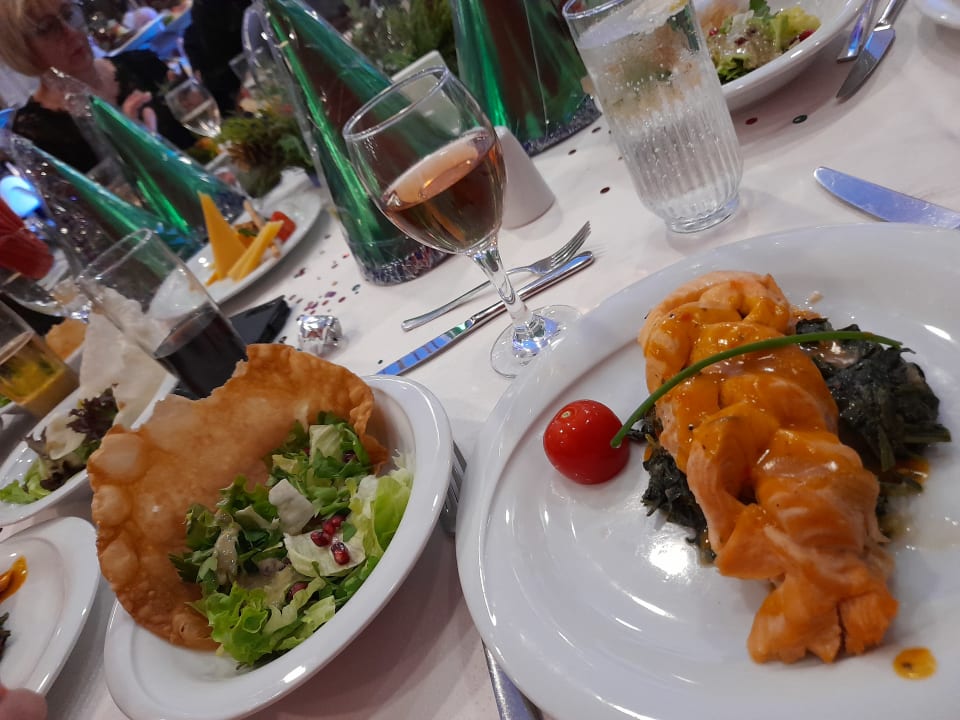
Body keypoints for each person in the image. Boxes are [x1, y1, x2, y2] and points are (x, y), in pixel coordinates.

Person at [0, 0, 197, 174]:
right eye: (48, 28)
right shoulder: (37, 134)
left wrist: (195, 100)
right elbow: (96, 202)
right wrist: (131, 148)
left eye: (69, 14)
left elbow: (200, 144)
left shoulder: (141, 64)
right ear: (22, 49)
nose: (70, 32)